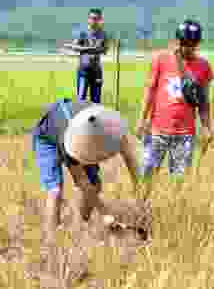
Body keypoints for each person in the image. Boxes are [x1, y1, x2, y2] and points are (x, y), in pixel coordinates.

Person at [31, 97, 142, 240]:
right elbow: (82, 181)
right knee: (55, 190)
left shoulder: (110, 125)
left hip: (76, 128)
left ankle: (81, 225)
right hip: (46, 137)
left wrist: (140, 192)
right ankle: (51, 240)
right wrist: (105, 213)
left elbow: (130, 158)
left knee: (95, 185)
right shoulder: (69, 139)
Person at [136, 19, 214, 186]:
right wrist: (142, 120)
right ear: (177, 41)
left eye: (192, 43)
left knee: (179, 182)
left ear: (198, 43)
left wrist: (207, 127)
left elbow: (203, 102)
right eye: (184, 42)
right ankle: (140, 210)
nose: (187, 47)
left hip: (184, 135)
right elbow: (150, 91)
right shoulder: (161, 60)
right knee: (145, 176)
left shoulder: (203, 66)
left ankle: (175, 210)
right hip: (157, 131)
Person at [65, 8, 108, 104]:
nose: (94, 21)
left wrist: (87, 49)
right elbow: (75, 47)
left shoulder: (103, 34)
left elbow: (104, 50)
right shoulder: (83, 33)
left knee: (96, 102)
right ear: (88, 19)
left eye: (97, 18)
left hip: (96, 72)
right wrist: (91, 49)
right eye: (92, 18)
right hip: (84, 71)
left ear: (100, 20)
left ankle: (94, 119)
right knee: (81, 100)